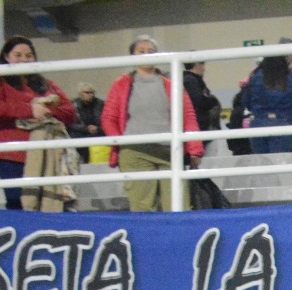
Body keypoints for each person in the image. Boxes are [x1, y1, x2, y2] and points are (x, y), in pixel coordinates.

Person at [101, 35, 204, 213]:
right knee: (142, 209)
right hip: (135, 152)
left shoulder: (172, 84)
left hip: (170, 151)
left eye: (151, 51)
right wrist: (121, 142)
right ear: (132, 55)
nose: (146, 54)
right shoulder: (121, 84)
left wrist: (195, 149)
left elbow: (188, 117)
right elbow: (108, 118)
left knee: (178, 207)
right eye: (141, 51)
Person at [0, 36, 74, 210]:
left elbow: (69, 112)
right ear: (6, 57)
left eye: (29, 55)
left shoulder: (47, 84)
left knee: (47, 202)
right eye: (18, 55)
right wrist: (30, 110)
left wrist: (47, 110)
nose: (24, 59)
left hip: (45, 152)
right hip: (10, 154)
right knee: (17, 201)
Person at [241, 55, 292, 154]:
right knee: (279, 160)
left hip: (258, 124)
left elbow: (245, 102)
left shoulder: (255, 78)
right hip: (284, 124)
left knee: (261, 161)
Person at [183, 63, 222, 134]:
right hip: (201, 125)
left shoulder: (192, 80)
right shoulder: (191, 81)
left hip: (202, 125)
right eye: (202, 65)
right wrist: (213, 101)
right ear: (196, 65)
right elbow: (198, 102)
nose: (204, 69)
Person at [68, 83, 102, 162]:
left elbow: (105, 120)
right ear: (80, 94)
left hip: (96, 134)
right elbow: (70, 123)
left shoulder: (100, 104)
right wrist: (86, 128)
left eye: (92, 93)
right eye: (87, 93)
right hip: (79, 134)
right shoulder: (73, 105)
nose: (90, 95)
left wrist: (98, 128)